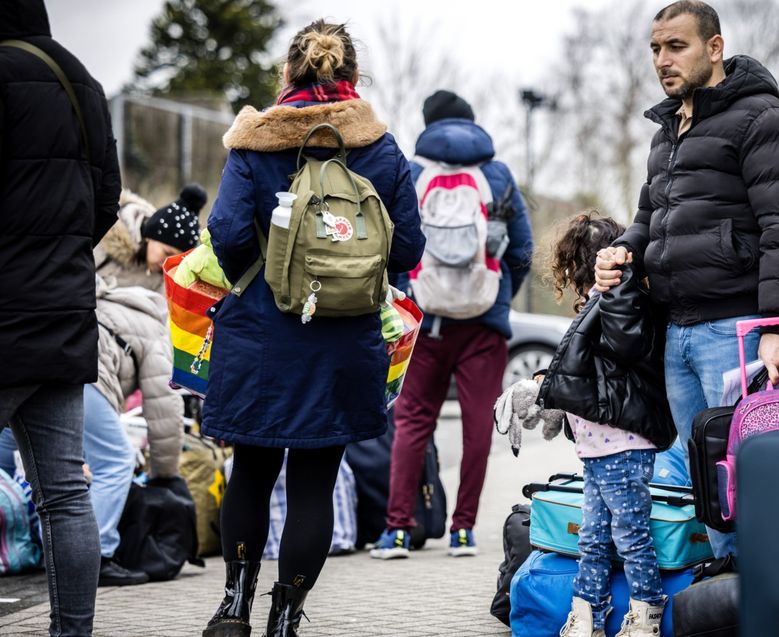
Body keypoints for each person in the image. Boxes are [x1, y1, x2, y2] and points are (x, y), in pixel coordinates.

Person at [200, 20, 425, 637]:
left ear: (287, 73)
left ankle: (234, 607)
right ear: (352, 75)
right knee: (315, 483)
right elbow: (406, 246)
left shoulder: (256, 140)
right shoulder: (379, 147)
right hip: (345, 340)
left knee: (251, 469)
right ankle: (286, 617)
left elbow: (224, 230)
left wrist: (265, 277)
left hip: (262, 335)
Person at [594, 0, 779, 558]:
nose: (662, 60)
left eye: (676, 46)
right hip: (679, 331)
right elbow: (650, 220)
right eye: (655, 49)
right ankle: (727, 589)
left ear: (714, 48)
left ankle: (771, 593)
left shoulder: (766, 120)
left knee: (755, 475)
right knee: (708, 481)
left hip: (738, 331)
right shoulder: (667, 131)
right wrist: (622, 249)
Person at [0, 0, 122, 634]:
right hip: (65, 312)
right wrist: (58, 254)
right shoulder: (84, 83)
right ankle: (72, 630)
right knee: (66, 495)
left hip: (5, 313)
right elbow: (107, 199)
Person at [370, 89, 533, 560]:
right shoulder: (497, 174)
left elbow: (391, 245)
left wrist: (406, 292)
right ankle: (463, 531)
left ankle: (397, 530)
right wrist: (499, 294)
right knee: (479, 423)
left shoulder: (410, 171)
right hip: (483, 327)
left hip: (422, 320)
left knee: (412, 421)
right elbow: (521, 247)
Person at [539, 213, 677, 637]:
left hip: (622, 444)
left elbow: (626, 347)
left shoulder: (622, 300)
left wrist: (616, 287)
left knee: (630, 536)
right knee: (593, 539)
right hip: (599, 448)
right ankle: (588, 616)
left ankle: (647, 615)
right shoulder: (598, 305)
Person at [0, 276, 185, 587]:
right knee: (115, 460)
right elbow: (164, 406)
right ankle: (97, 558)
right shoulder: (156, 327)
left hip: (30, 355)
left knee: (5, 457)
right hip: (84, 373)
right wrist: (164, 473)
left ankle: (12, 546)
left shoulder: (114, 302)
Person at [94, 184, 208, 291]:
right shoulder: (101, 230)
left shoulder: (165, 280)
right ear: (150, 236)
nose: (167, 263)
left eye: (176, 260)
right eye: (167, 253)